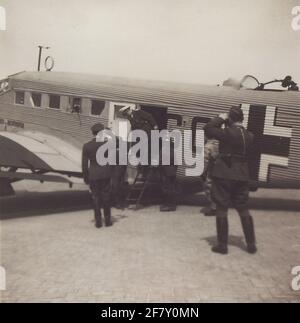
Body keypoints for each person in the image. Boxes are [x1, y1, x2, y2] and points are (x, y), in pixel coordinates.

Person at [204, 106, 257, 255]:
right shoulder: (250, 136)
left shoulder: (227, 133)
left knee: (221, 207)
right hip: (242, 175)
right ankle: (251, 244)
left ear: (231, 119)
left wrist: (221, 117)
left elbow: (208, 128)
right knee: (243, 208)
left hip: (224, 174)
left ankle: (222, 246)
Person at [82, 123, 112, 228]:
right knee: (106, 197)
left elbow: (84, 165)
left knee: (95, 198)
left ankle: (98, 222)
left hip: (93, 175)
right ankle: (108, 221)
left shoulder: (87, 146)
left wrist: (86, 179)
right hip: (106, 174)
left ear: (92, 133)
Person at [159, 135, 178, 212]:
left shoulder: (163, 150)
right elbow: (176, 163)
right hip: (172, 172)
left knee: (166, 188)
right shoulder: (173, 150)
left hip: (166, 172)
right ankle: (172, 205)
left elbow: (160, 162)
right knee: (172, 188)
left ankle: (166, 205)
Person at [201, 138, 219, 216]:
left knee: (209, 186)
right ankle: (217, 206)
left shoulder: (208, 145)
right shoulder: (221, 142)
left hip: (211, 169)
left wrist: (203, 171)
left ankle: (214, 207)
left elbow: (205, 159)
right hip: (221, 169)